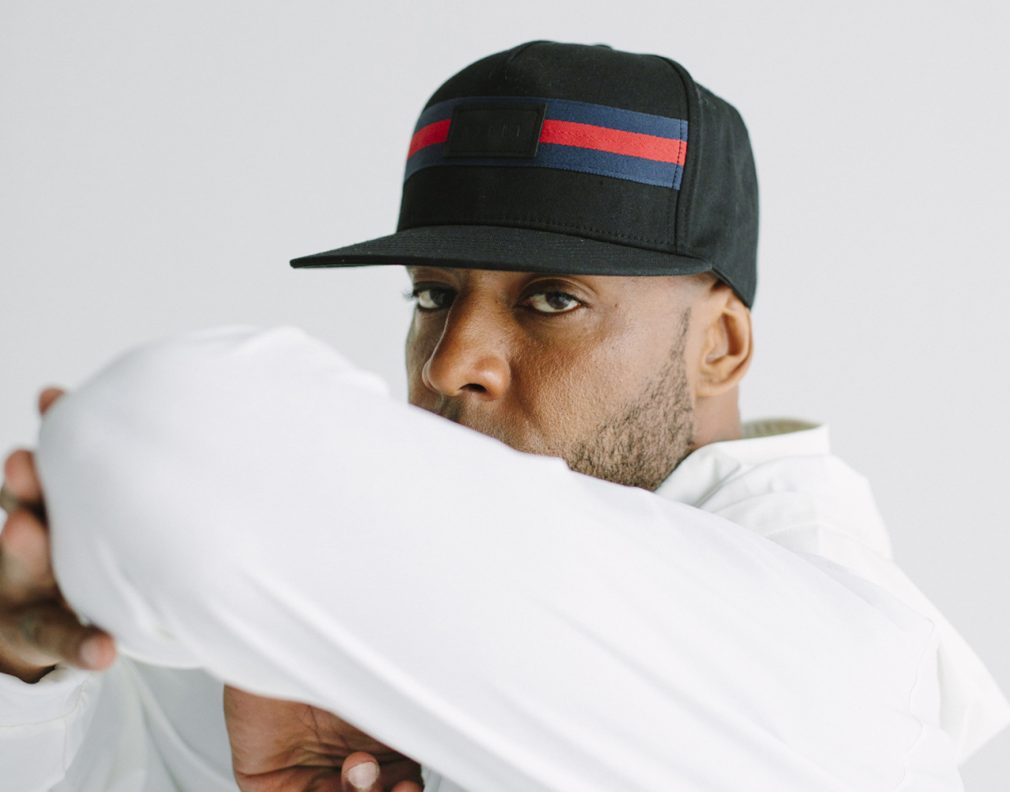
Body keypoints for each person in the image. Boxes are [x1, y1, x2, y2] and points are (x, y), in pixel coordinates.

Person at [1, 40, 1008, 792]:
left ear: (720, 345)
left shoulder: (837, 667)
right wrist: (22, 657)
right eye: (433, 294)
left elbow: (171, 428)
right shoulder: (313, 634)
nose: (450, 363)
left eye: (551, 299)